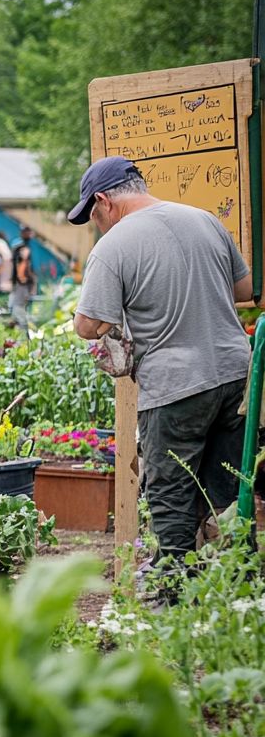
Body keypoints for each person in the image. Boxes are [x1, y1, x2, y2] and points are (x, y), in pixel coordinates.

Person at [71, 156, 251, 570]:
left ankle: (174, 595)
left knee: (171, 496)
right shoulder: (204, 220)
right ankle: (242, 588)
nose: (96, 223)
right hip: (235, 378)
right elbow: (245, 288)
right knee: (229, 493)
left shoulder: (113, 247)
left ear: (104, 200)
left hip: (175, 388)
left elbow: (87, 325)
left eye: (93, 214)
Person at [9, 227, 35, 329]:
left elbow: (22, 264)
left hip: (21, 283)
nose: (30, 235)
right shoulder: (23, 248)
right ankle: (23, 329)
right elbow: (23, 264)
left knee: (18, 307)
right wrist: (22, 278)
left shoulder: (20, 248)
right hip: (22, 283)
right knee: (18, 307)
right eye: (28, 232)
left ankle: (23, 330)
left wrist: (21, 278)